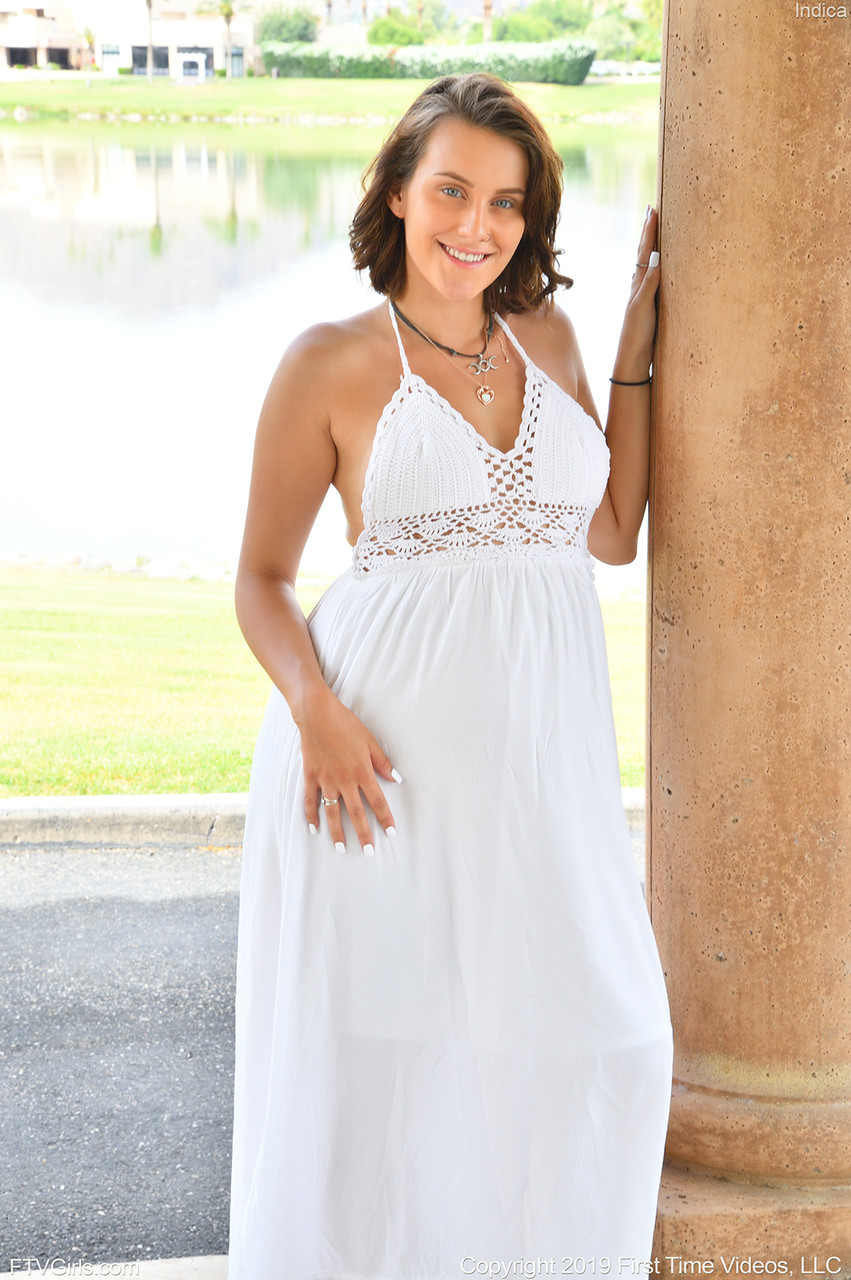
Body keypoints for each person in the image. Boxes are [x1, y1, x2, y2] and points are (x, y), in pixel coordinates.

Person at [227, 72, 673, 1278]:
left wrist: (633, 350)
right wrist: (314, 709)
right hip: (372, 764)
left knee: (608, 1042)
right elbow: (260, 578)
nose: (476, 225)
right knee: (384, 1069)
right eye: (450, 191)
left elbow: (609, 530)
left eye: (506, 202)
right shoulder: (328, 362)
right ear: (395, 191)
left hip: (539, 770)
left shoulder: (548, 338)